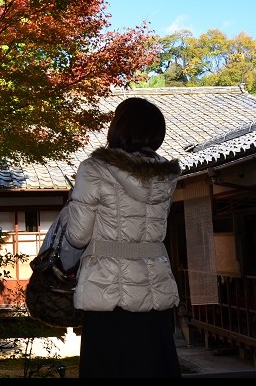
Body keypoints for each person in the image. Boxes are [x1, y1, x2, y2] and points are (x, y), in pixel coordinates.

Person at [64, 97, 182, 378]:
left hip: (108, 294)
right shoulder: (166, 175)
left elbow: (78, 236)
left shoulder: (94, 168)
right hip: (155, 290)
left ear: (118, 126)